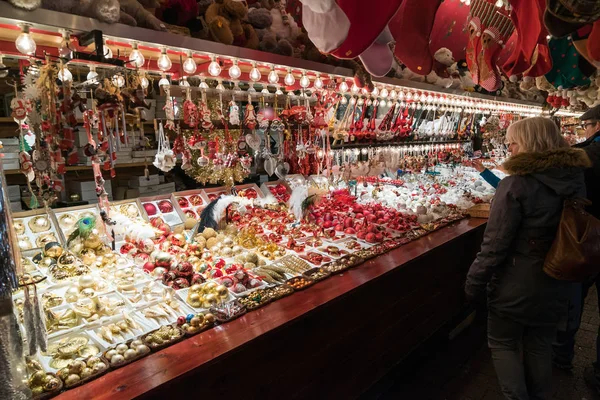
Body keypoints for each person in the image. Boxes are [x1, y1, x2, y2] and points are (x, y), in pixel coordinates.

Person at [464, 117, 591, 400]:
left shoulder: (516, 185)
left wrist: (474, 283)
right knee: (540, 343)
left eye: (514, 141)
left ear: (530, 143)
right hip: (558, 275)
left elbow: (494, 245)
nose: (509, 147)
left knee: (503, 342)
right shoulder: (573, 178)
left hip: (517, 281)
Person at [552, 105, 600, 386]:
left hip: (584, 237)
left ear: (595, 125)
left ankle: (561, 355)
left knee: (572, 298)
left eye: (586, 126)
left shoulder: (584, 155)